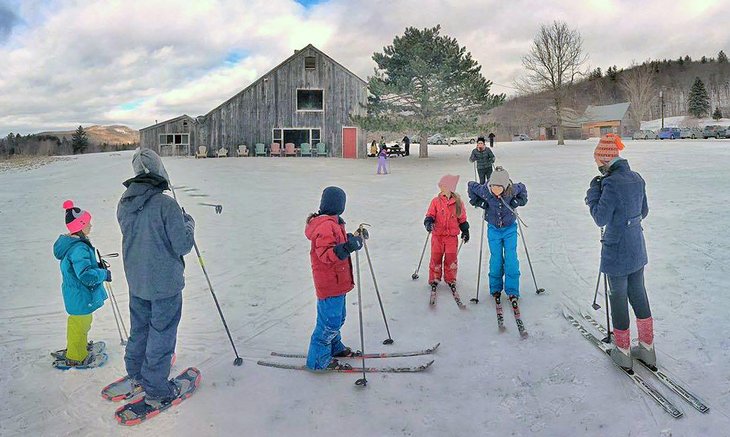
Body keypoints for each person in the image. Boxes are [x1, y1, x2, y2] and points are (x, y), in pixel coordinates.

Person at [117, 148, 195, 408]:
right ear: (159, 170)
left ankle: (137, 372)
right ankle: (156, 387)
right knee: (161, 332)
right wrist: (188, 223)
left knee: (140, 328)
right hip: (163, 284)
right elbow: (182, 244)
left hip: (137, 280)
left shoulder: (125, 202)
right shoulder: (166, 204)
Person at [585, 134, 653, 370]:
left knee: (618, 298)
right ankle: (647, 348)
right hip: (636, 245)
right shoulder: (637, 178)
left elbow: (600, 218)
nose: (596, 165)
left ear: (604, 159)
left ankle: (623, 350)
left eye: (597, 160)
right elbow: (643, 211)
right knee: (639, 294)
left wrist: (593, 193)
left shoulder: (610, 184)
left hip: (617, 250)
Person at [305, 187, 364, 371]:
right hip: (329, 282)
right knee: (329, 322)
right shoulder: (324, 225)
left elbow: (337, 242)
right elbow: (326, 254)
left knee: (338, 318)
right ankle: (318, 360)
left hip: (338, 281)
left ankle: (334, 346)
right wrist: (348, 247)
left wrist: (352, 238)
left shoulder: (334, 223)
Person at [53, 200, 110, 367]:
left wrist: (96, 266)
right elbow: (85, 275)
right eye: (88, 223)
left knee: (81, 322)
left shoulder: (73, 245)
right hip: (81, 295)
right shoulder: (79, 248)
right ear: (80, 226)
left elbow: (81, 268)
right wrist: (103, 274)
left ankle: (78, 347)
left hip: (77, 294)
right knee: (79, 324)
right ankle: (76, 356)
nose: (91, 226)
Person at [467, 167, 528, 306]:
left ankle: (512, 290)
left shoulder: (513, 189)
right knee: (496, 258)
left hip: (510, 229)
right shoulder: (485, 190)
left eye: (499, 187)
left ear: (505, 186)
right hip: (493, 229)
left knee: (511, 258)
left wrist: (517, 201)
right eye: (493, 186)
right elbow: (470, 186)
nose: (495, 190)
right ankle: (495, 288)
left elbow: (523, 190)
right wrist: (479, 202)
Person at [424, 175, 469, 289]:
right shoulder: (436, 201)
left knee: (451, 258)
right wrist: (429, 221)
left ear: (450, 188)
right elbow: (430, 214)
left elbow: (462, 218)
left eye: (443, 185)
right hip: (437, 236)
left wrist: (465, 229)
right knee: (436, 257)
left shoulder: (458, 203)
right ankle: (434, 277)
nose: (440, 187)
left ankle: (450, 278)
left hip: (451, 237)